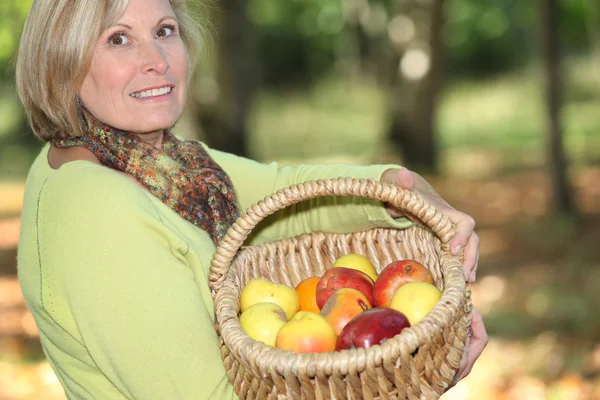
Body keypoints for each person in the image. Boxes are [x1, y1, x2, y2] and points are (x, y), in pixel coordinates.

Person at [15, 0, 487, 398]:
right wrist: (391, 381)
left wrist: (401, 188)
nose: (156, 58)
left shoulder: (162, 166)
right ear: (64, 60)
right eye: (118, 39)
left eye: (165, 31)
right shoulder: (96, 207)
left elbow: (281, 191)